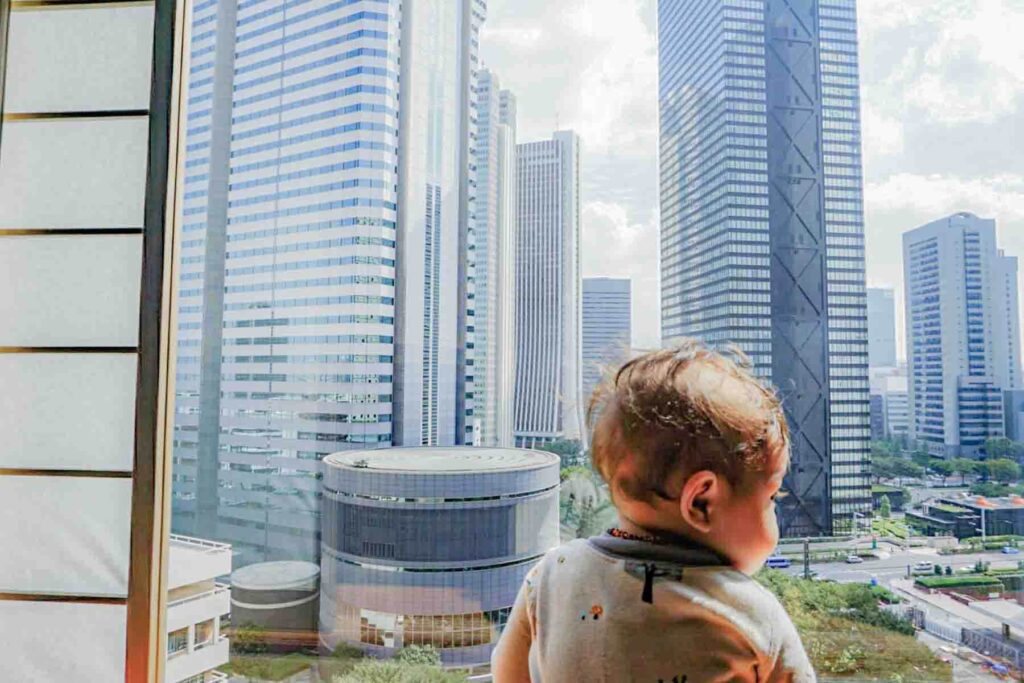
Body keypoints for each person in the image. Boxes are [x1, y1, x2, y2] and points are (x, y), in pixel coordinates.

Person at [492, 340, 815, 682]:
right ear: (701, 503)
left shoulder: (551, 575)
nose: (774, 511)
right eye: (771, 498)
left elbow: (508, 673)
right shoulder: (752, 614)